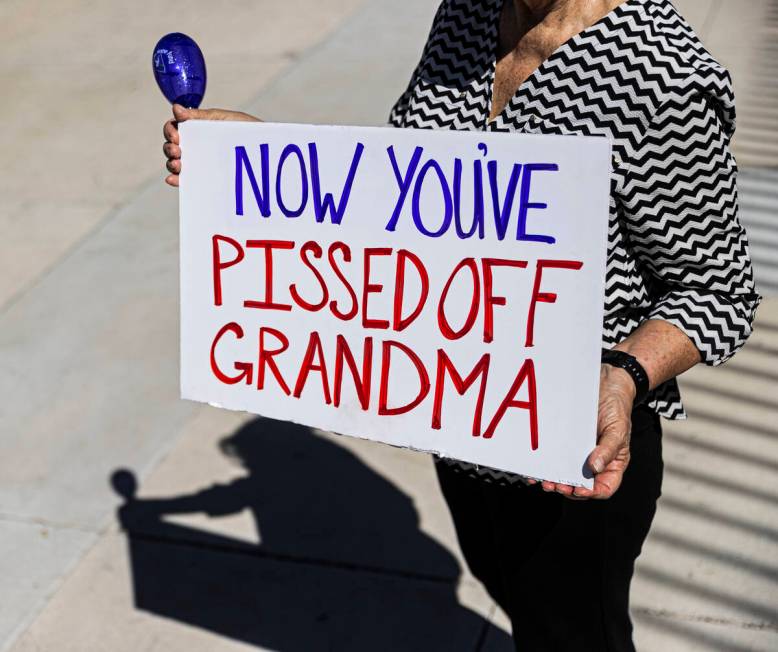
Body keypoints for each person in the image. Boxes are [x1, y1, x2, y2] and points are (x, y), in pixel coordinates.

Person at [161, 0, 761, 649]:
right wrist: (259, 156)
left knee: (575, 632)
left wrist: (624, 374)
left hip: (571, 444)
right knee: (510, 589)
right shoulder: (469, 15)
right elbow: (407, 185)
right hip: (461, 418)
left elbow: (718, 288)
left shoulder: (663, 74)